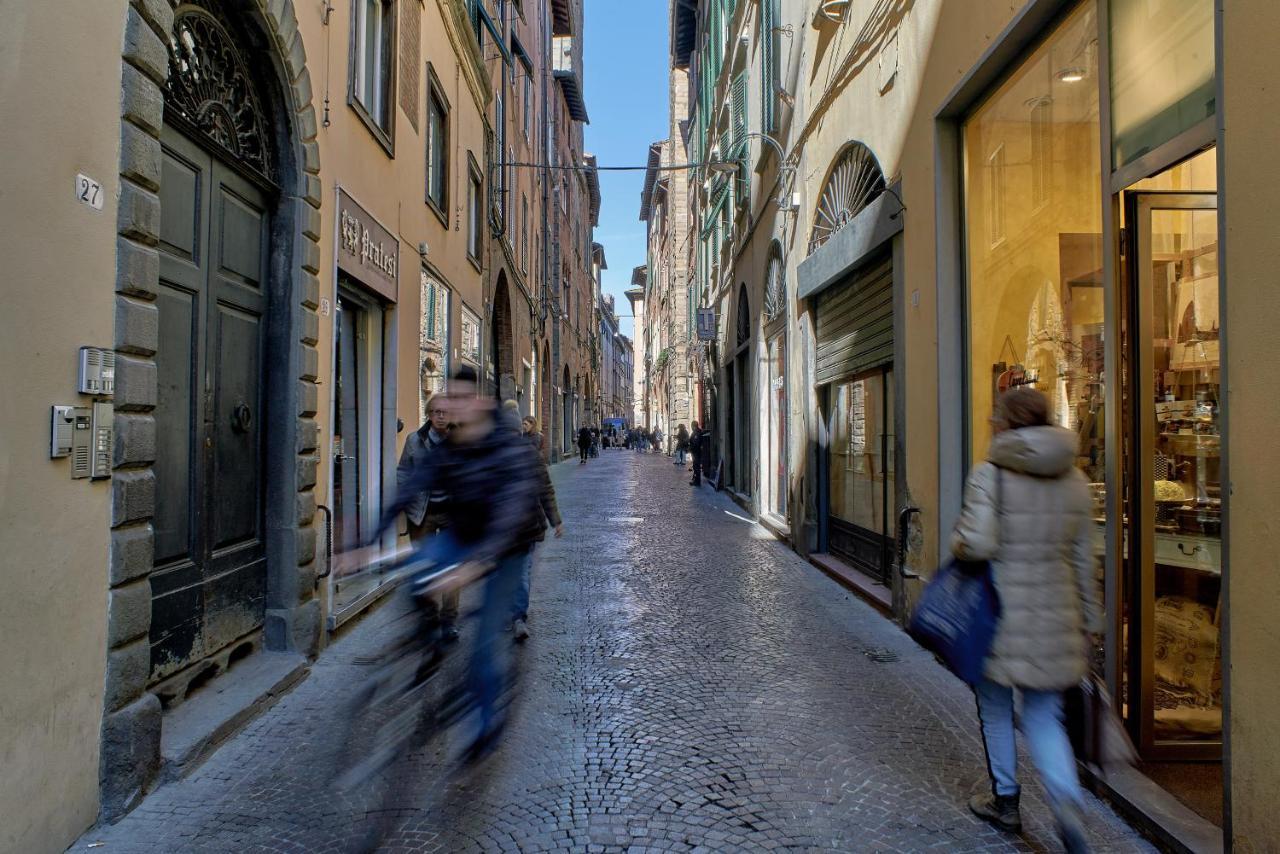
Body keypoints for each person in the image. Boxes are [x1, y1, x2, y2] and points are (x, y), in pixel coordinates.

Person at [362, 365, 543, 757]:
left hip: (507, 545)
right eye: (449, 398)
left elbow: (512, 509)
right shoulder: (448, 444)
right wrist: (367, 542)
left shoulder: (508, 445)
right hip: (464, 534)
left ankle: (485, 724)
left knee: (483, 646)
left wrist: (476, 563)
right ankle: (430, 639)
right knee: (416, 570)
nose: (452, 406)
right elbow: (411, 483)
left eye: (461, 399)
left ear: (480, 402)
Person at [951, 387, 1102, 853]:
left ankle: (1007, 802)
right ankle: (1066, 804)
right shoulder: (1074, 481)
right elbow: (1083, 559)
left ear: (1007, 424)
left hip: (999, 615)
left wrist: (960, 544)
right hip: (1056, 616)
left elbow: (973, 545)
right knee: (1045, 715)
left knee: (995, 708)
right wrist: (1090, 618)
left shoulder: (989, 476)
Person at [395, 393, 459, 641]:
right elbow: (403, 471)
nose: (441, 416)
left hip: (451, 515)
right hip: (422, 513)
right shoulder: (414, 440)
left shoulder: (459, 441)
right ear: (429, 415)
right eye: (436, 412)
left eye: (445, 412)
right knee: (422, 567)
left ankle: (449, 620)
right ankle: (429, 617)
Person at [513, 417, 563, 641]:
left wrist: (556, 520)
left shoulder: (532, 456)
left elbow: (545, 489)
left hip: (526, 524)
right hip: (501, 530)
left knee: (522, 572)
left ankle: (517, 617)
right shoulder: (492, 456)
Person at [688, 422, 705, 486]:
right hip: (696, 452)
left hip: (696, 452)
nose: (691, 427)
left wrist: (691, 448)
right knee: (696, 466)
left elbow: (696, 443)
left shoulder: (696, 433)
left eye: (692, 426)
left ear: (693, 426)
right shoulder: (697, 431)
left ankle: (697, 482)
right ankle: (696, 480)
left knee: (696, 467)